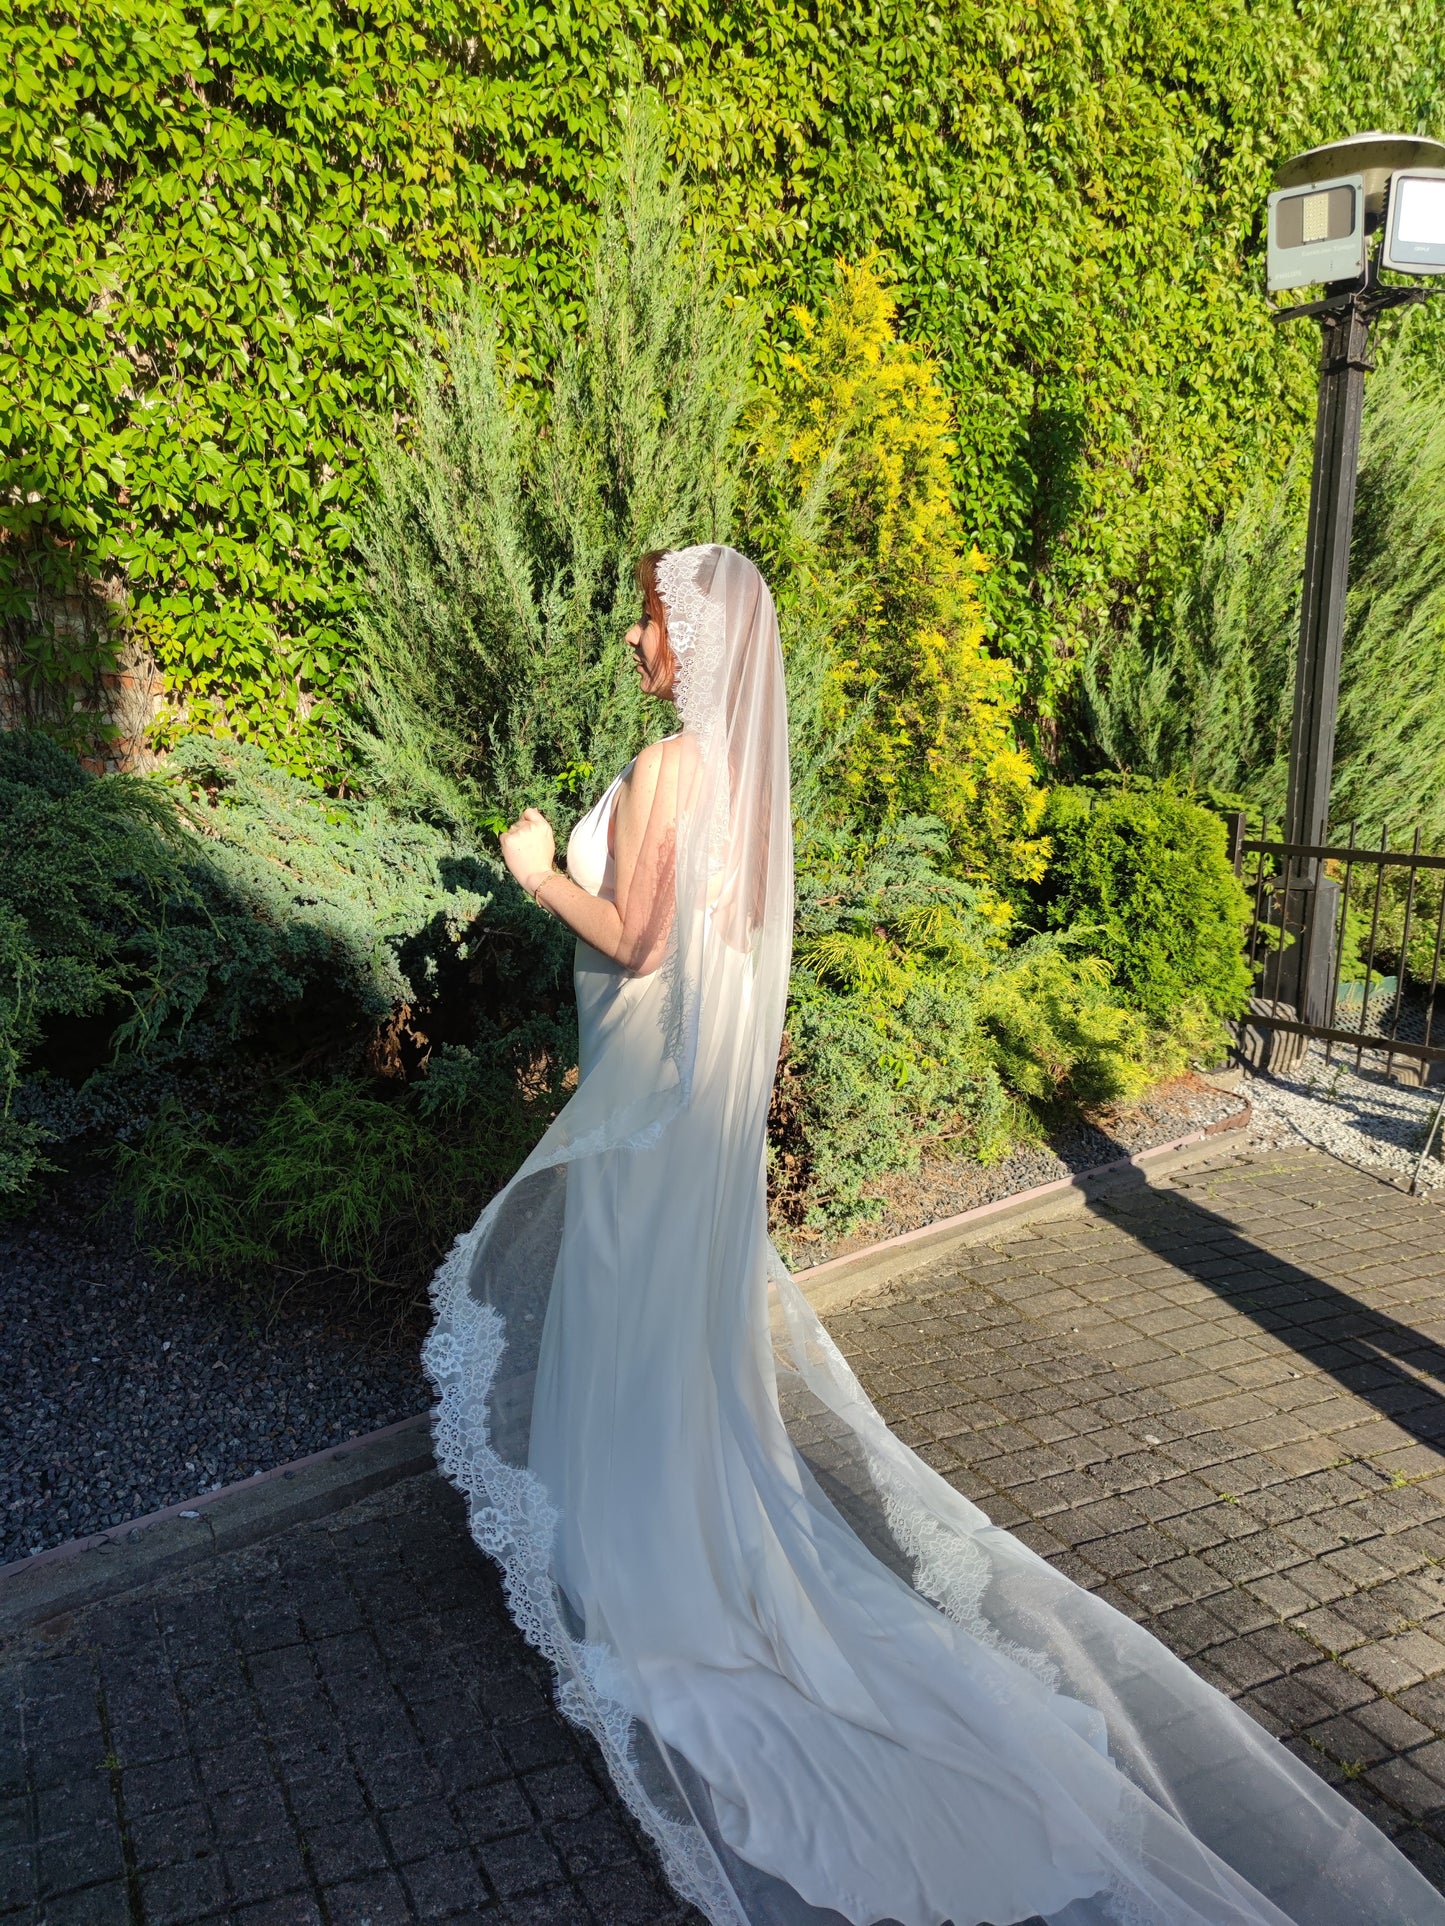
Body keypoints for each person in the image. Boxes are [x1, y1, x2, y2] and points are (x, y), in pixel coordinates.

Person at [424, 544, 1445, 1926]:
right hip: (694, 1116)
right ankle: (674, 1547)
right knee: (672, 1334)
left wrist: (537, 868)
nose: (632, 640)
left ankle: (641, 1572)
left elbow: (642, 942)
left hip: (649, 1109)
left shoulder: (672, 766)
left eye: (648, 620)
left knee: (628, 1316)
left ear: (694, 643)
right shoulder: (752, 789)